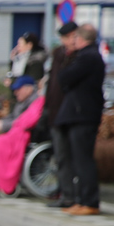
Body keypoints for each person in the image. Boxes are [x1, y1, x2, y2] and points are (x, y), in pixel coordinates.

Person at [55, 24, 106, 216]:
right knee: (78, 159)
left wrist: (68, 59)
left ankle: (89, 201)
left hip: (82, 114)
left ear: (81, 39)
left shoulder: (88, 57)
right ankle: (82, 200)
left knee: (83, 160)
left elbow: (64, 77)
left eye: (75, 38)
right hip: (81, 113)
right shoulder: (88, 56)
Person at [44, 22, 80, 208]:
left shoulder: (80, 56)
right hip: (56, 112)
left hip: (71, 113)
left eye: (70, 37)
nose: (68, 42)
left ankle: (71, 194)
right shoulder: (58, 54)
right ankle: (63, 191)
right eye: (65, 38)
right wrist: (47, 107)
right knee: (61, 155)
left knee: (71, 156)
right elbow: (52, 82)